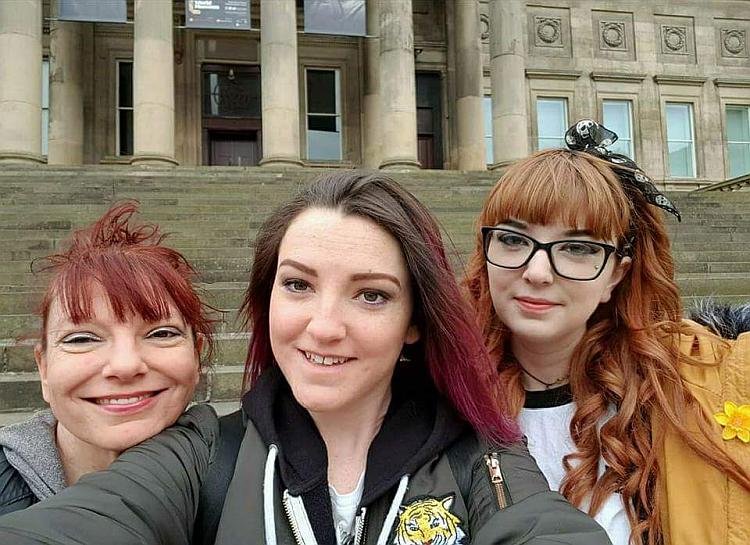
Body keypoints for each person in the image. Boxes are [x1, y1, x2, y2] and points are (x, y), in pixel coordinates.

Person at [0, 172, 611, 545]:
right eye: (297, 285)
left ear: (415, 324)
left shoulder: (485, 458)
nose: (324, 327)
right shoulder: (201, 451)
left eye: (371, 295)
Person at [464, 120, 750, 545]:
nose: (536, 271)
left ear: (617, 274)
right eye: (512, 240)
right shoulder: (437, 394)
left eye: (578, 248)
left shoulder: (700, 388)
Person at [0, 201, 214, 514]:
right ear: (43, 368)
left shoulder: (251, 482)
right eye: (82, 338)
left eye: (162, 334)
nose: (125, 366)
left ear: (196, 357)